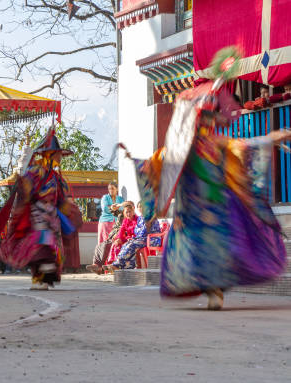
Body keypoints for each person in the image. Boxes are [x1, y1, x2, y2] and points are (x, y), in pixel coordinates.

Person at [128, 48, 290, 310]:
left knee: (222, 248)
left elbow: (245, 146)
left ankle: (216, 290)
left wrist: (273, 138)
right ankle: (211, 289)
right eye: (207, 116)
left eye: (213, 116)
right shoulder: (181, 148)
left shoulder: (219, 144)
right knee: (198, 252)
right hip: (192, 210)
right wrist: (138, 162)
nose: (211, 121)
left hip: (218, 207)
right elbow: (159, 163)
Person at [0, 128, 82, 290]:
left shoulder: (56, 177)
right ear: (49, 154)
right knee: (41, 249)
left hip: (52, 218)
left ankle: (41, 280)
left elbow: (62, 198)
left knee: (49, 249)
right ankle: (39, 279)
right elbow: (24, 189)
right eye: (57, 154)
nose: (60, 157)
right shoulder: (35, 171)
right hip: (37, 216)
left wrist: (69, 210)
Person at [107, 201, 161, 271]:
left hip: (152, 239)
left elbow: (144, 231)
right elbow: (137, 231)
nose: (141, 208)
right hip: (143, 239)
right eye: (139, 207)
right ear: (137, 208)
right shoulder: (140, 218)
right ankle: (127, 267)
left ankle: (117, 264)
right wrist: (134, 237)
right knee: (126, 244)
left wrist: (136, 235)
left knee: (131, 245)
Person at [89, 202, 125, 274]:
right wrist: (118, 206)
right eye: (125, 210)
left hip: (120, 237)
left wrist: (118, 236)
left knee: (106, 246)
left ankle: (100, 267)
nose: (127, 212)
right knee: (98, 246)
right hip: (112, 236)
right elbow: (112, 209)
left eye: (128, 210)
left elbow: (127, 230)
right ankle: (96, 265)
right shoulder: (121, 215)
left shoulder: (132, 219)